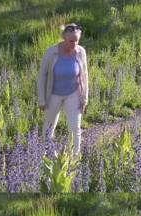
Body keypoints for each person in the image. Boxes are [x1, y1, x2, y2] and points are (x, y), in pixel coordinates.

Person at [37, 23, 89, 156]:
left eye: (77, 40)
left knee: (75, 128)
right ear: (63, 38)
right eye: (71, 41)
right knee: (48, 129)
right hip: (53, 95)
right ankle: (47, 158)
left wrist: (84, 98)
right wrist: (42, 99)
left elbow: (84, 75)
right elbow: (42, 75)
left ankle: (75, 159)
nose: (74, 43)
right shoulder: (51, 52)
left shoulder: (81, 52)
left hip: (73, 94)